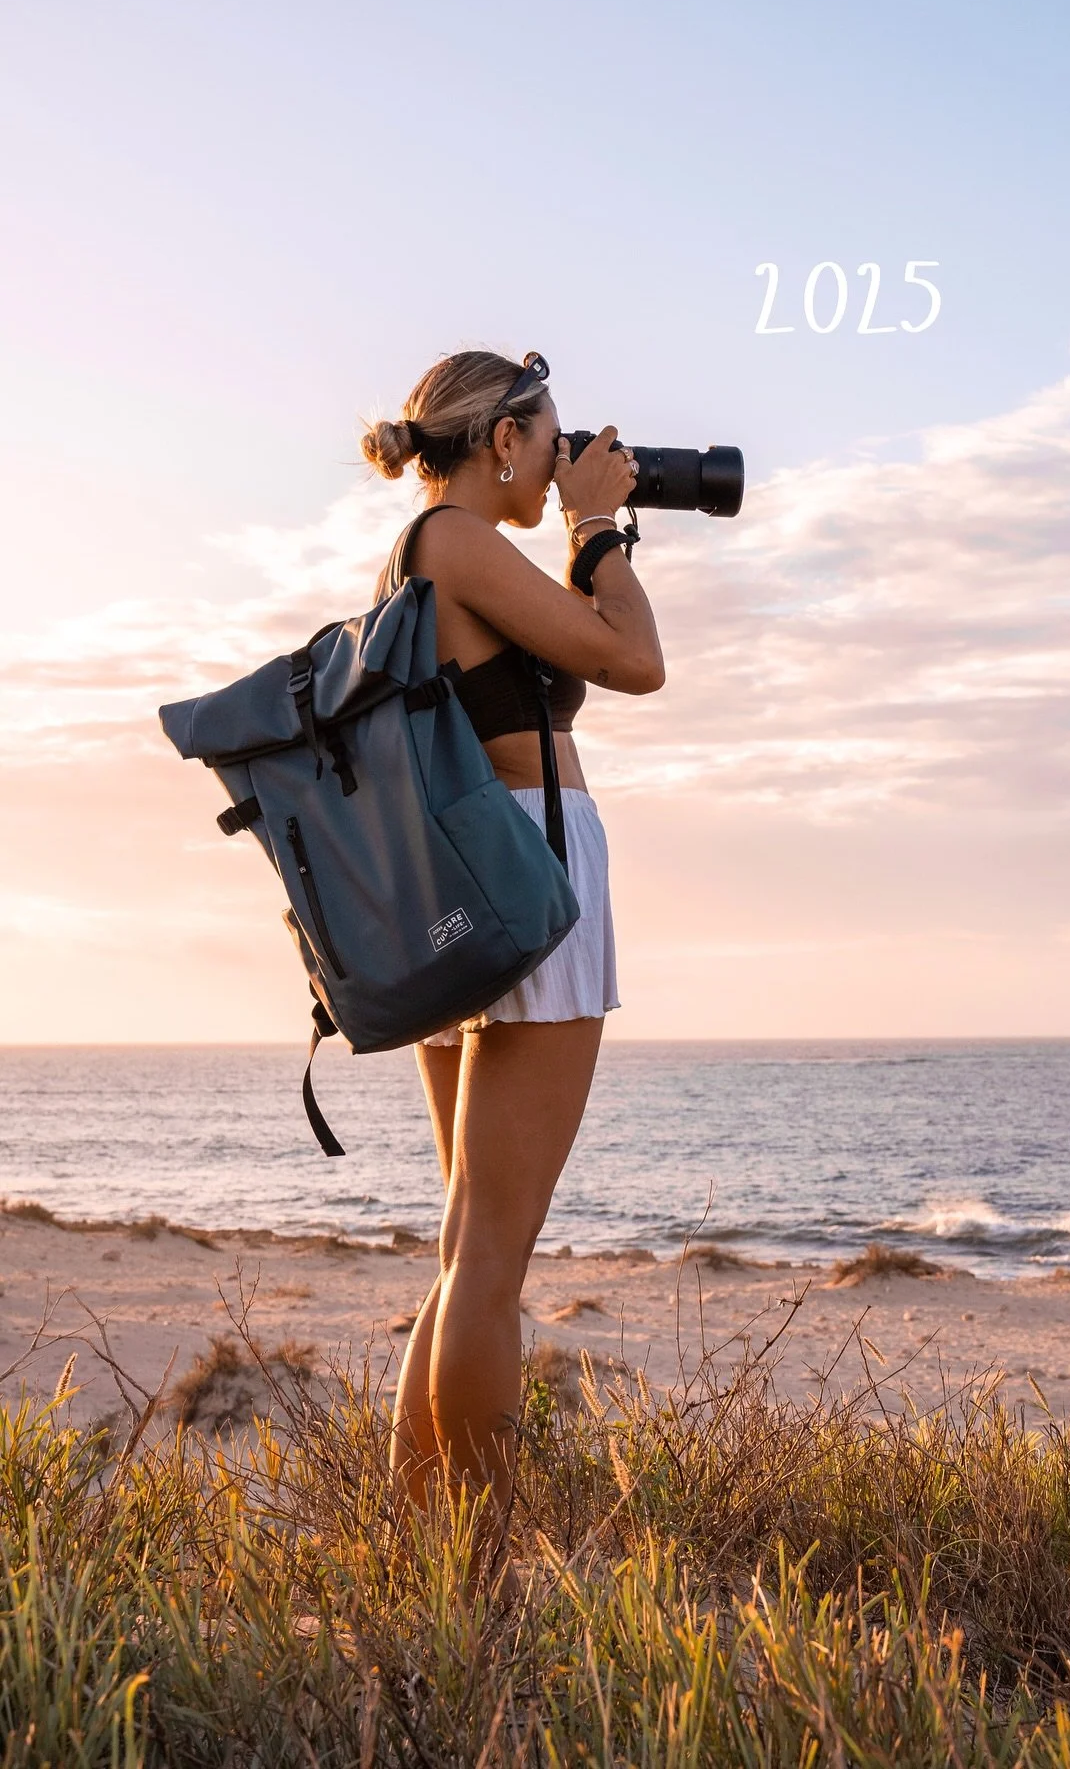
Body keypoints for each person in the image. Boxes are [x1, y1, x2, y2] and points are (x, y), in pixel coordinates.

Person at [359, 349, 664, 1537]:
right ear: (501, 440)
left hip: (464, 888)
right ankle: (477, 1569)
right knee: (491, 1264)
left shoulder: (416, 556)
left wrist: (582, 513)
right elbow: (634, 661)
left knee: (462, 1251)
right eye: (547, 444)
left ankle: (422, 1546)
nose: (558, 463)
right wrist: (598, 529)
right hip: (530, 880)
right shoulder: (459, 544)